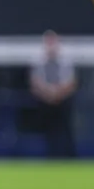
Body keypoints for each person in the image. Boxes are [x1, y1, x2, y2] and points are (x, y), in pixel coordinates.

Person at [30, 30, 77, 158]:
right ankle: (48, 156)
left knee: (65, 130)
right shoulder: (39, 61)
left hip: (62, 101)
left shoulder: (65, 61)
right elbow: (35, 82)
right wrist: (48, 93)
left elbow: (71, 82)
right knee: (47, 130)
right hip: (45, 101)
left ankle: (68, 157)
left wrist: (57, 93)